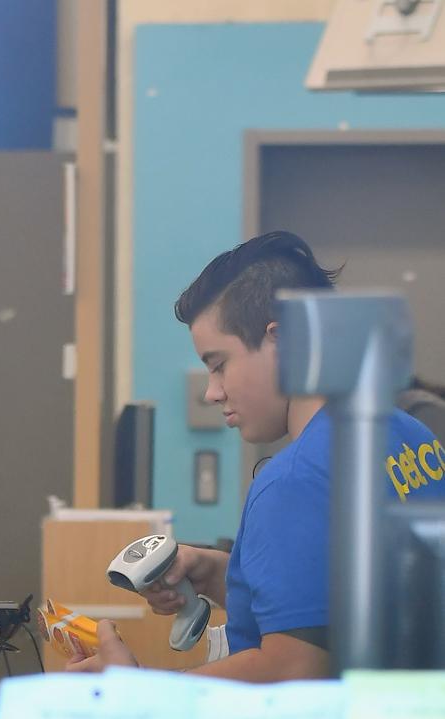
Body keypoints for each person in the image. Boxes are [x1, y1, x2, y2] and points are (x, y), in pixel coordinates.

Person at [72, 231, 445, 681]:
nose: (212, 391)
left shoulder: (295, 480)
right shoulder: (408, 431)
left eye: (218, 364)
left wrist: (140, 691)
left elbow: (294, 668)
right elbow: (351, 608)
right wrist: (226, 576)